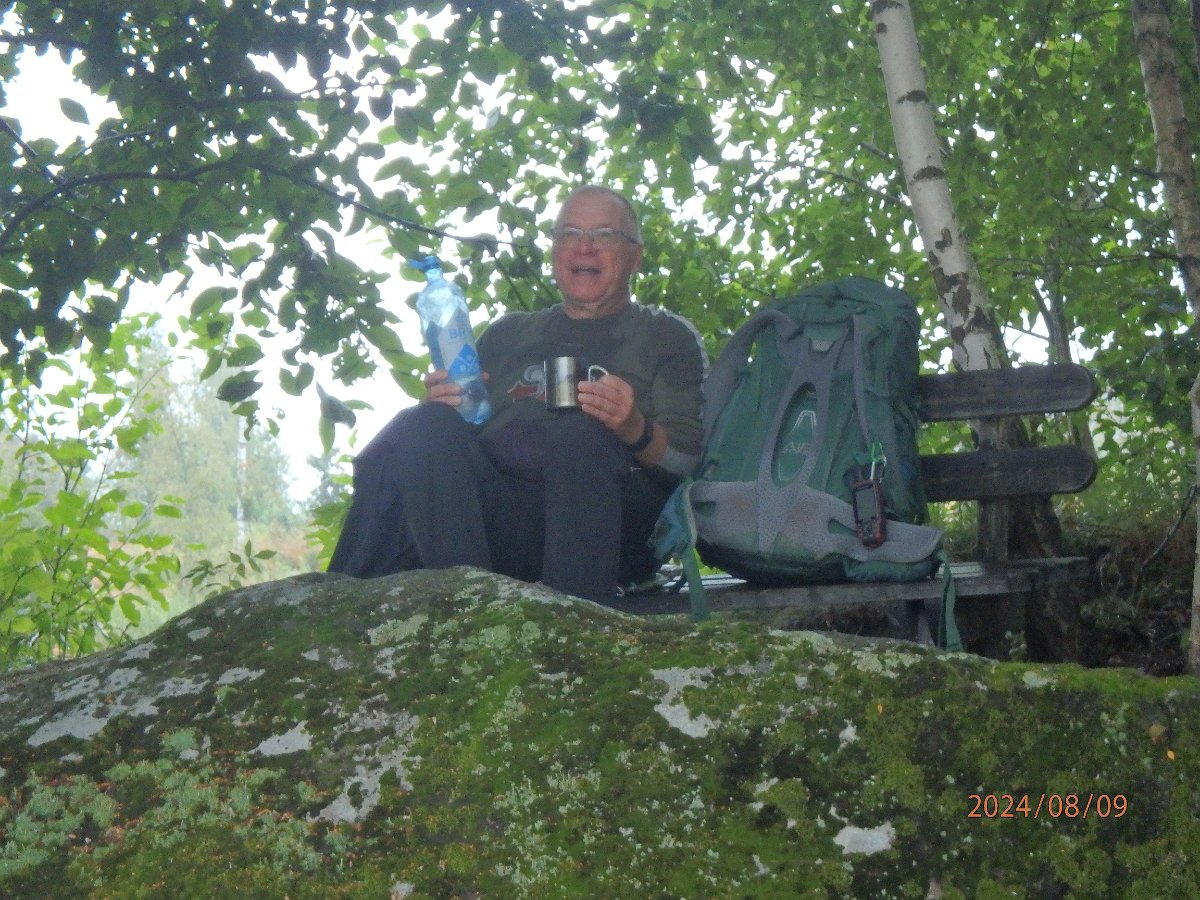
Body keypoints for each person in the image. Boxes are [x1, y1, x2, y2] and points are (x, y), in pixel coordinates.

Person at [327, 185, 707, 604]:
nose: (584, 247)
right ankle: (466, 607)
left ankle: (573, 621)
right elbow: (453, 444)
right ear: (554, 251)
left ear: (635, 256)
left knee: (580, 431)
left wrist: (633, 427)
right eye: (569, 234)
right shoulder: (508, 334)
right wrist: (446, 405)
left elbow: (686, 459)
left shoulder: (665, 336)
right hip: (501, 530)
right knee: (424, 424)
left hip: (608, 529)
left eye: (603, 234)